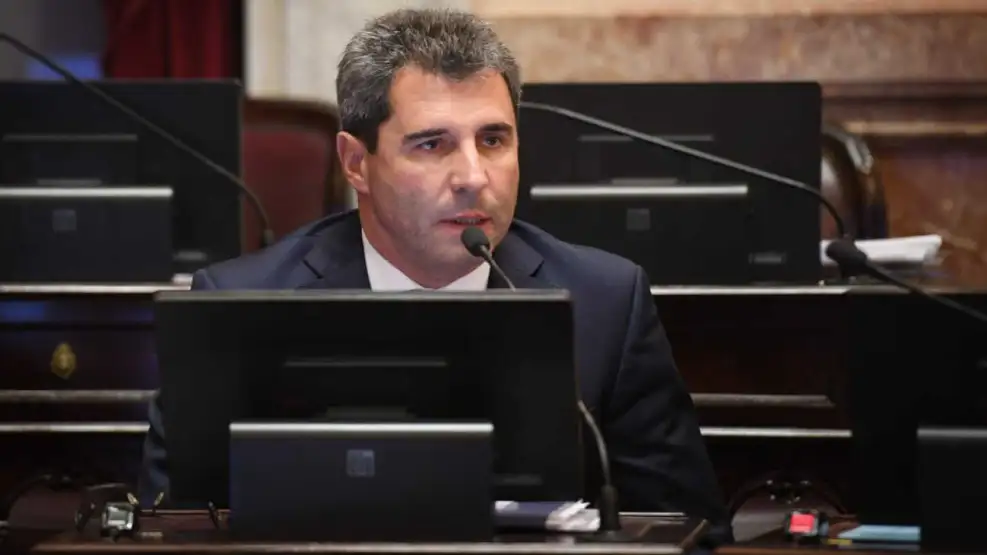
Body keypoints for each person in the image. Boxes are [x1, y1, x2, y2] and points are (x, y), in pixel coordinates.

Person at [139, 7, 731, 540]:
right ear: (356, 163)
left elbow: (691, 530)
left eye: (493, 140)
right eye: (432, 145)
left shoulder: (606, 301)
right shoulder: (240, 304)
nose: (473, 176)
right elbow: (174, 529)